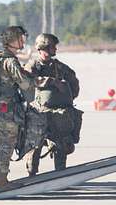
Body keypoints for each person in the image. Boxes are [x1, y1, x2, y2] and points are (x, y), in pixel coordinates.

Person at [25, 33, 81, 176]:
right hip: (39, 112)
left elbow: (73, 82)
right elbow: (27, 81)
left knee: (61, 142)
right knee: (35, 145)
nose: (55, 49)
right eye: (52, 47)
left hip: (57, 113)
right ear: (43, 48)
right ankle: (32, 174)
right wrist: (52, 82)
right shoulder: (33, 65)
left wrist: (66, 98)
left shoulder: (59, 67)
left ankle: (59, 174)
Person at [0, 25, 34, 192]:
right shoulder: (10, 61)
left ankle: (1, 179)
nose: (23, 41)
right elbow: (23, 82)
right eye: (20, 38)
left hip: (2, 105)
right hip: (6, 107)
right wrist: (34, 81)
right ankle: (1, 181)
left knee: (4, 142)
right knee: (7, 143)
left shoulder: (2, 58)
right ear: (12, 40)